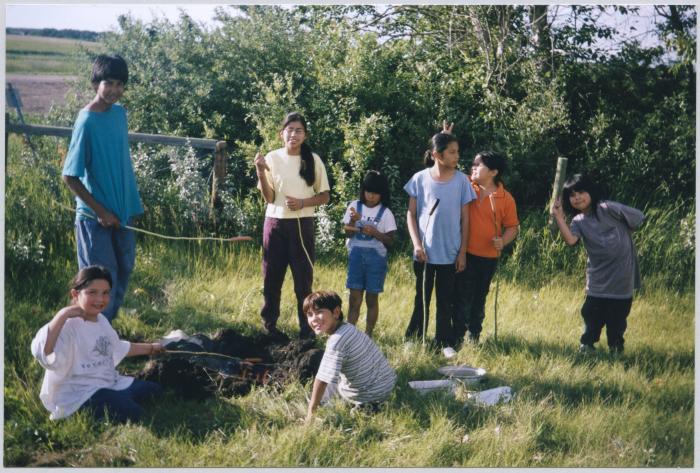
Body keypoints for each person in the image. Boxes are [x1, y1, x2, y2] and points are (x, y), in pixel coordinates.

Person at [62, 54, 143, 322]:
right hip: (95, 218)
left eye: (120, 84)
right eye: (108, 82)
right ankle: (90, 335)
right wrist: (100, 211)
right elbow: (70, 176)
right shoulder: (86, 121)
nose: (114, 90)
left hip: (123, 212)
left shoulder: (120, 114)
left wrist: (125, 205)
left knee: (123, 270)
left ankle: (105, 330)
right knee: (98, 281)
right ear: (96, 82)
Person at [31, 266, 165, 423]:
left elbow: (116, 347)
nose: (100, 299)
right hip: (80, 392)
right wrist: (62, 314)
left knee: (155, 391)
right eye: (92, 293)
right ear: (76, 294)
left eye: (105, 293)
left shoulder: (101, 320)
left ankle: (117, 399)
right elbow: (43, 351)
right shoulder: (66, 326)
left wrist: (151, 348)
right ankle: (97, 408)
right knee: (134, 412)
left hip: (108, 383)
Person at [254, 112, 331, 339]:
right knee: (271, 278)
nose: (294, 135)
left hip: (302, 224)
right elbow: (269, 198)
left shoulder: (313, 160)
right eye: (290, 130)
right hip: (274, 224)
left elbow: (325, 196)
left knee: (303, 281)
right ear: (281, 134)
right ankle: (269, 327)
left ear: (305, 135)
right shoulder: (272, 158)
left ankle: (307, 330)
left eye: (298, 130)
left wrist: (302, 203)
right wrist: (259, 170)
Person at [550, 174, 645, 354]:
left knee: (617, 318)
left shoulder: (609, 208)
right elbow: (570, 240)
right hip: (597, 279)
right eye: (572, 195)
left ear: (591, 192)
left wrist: (626, 231)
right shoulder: (578, 221)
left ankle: (616, 348)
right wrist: (559, 217)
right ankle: (587, 345)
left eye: (581, 192)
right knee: (591, 313)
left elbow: (638, 217)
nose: (577, 197)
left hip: (621, 276)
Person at [404, 128, 476, 349]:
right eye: (452, 152)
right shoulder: (419, 179)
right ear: (437, 154)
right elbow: (411, 214)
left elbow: (466, 219)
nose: (457, 156)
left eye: (457, 152)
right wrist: (417, 245)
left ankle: (444, 342)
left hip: (451, 253)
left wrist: (462, 252)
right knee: (421, 298)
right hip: (424, 253)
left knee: (446, 301)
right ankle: (414, 339)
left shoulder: (462, 181)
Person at [455, 151, 519, 345]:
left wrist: (503, 241)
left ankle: (474, 335)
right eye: (473, 164)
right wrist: (446, 138)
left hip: (489, 257)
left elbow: (512, 227)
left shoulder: (505, 198)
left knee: (479, 297)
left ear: (493, 172)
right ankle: (456, 335)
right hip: (464, 253)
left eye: (478, 165)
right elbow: (448, 168)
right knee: (461, 296)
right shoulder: (466, 184)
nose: (473, 167)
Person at [303, 291, 396, 421]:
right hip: (387, 383)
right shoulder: (348, 328)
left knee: (317, 391)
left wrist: (310, 414)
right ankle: (368, 404)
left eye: (319, 312)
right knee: (333, 380)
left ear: (336, 312)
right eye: (309, 314)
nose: (314, 319)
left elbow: (322, 380)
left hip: (372, 393)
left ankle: (366, 406)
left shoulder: (337, 341)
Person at [342, 170, 397, 337]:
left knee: (371, 299)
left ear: (382, 194)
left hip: (376, 262)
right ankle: (350, 334)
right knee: (354, 299)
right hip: (356, 259)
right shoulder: (354, 206)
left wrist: (375, 233)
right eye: (368, 191)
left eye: (375, 193)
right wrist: (352, 221)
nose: (371, 196)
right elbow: (348, 234)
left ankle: (368, 335)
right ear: (363, 190)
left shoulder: (386, 213)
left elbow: (390, 241)